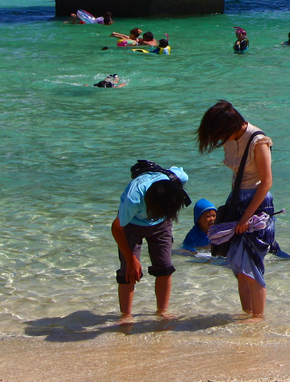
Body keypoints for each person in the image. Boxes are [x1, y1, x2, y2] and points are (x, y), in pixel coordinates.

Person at [197, 100, 277, 318]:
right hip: (236, 201)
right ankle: (246, 316)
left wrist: (246, 218)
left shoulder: (258, 141)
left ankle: (257, 320)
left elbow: (266, 182)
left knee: (252, 265)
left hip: (257, 206)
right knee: (239, 267)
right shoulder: (230, 138)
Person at [113, 160, 192, 321]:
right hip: (132, 224)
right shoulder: (133, 199)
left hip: (162, 225)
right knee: (128, 270)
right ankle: (126, 315)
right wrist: (131, 259)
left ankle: (162, 311)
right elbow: (116, 227)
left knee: (164, 266)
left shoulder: (176, 179)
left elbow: (180, 171)